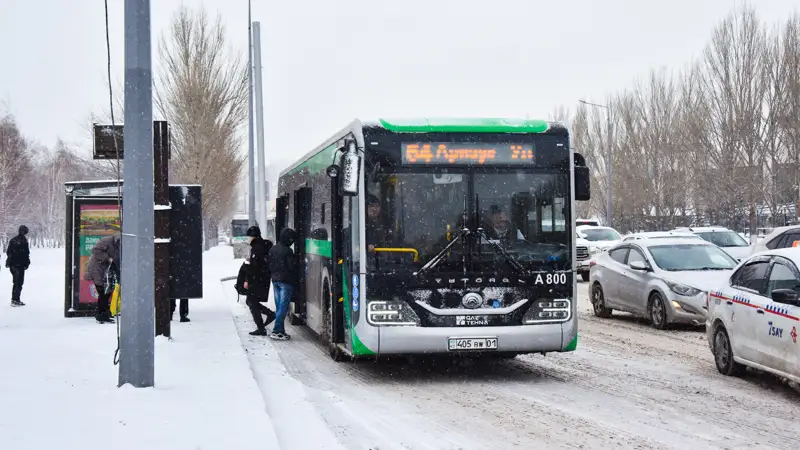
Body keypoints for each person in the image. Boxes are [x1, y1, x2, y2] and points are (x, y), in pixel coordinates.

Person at [245, 226, 276, 336]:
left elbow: (255, 267)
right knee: (252, 301)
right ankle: (268, 317)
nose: (247, 238)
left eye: (248, 236)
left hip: (257, 279)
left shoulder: (257, 248)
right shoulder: (263, 245)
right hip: (263, 278)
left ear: (252, 236)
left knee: (251, 302)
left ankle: (262, 327)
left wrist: (247, 280)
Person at [268, 227, 297, 340]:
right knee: (283, 307)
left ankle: (281, 330)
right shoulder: (288, 251)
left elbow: (270, 264)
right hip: (286, 281)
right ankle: (277, 330)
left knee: (279, 305)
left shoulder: (273, 249)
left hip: (275, 281)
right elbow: (291, 267)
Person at [85, 234, 121, 323]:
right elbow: (95, 250)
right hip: (96, 269)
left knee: (107, 292)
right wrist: (107, 258)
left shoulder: (119, 245)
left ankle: (104, 314)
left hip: (105, 271)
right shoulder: (107, 241)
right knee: (103, 292)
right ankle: (101, 315)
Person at [5, 225, 30, 306]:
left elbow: (8, 252)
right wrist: (26, 263)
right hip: (19, 265)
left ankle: (15, 299)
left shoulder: (13, 240)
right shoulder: (23, 241)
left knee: (16, 282)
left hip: (12, 264)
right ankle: (15, 300)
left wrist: (10, 261)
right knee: (18, 282)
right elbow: (26, 254)